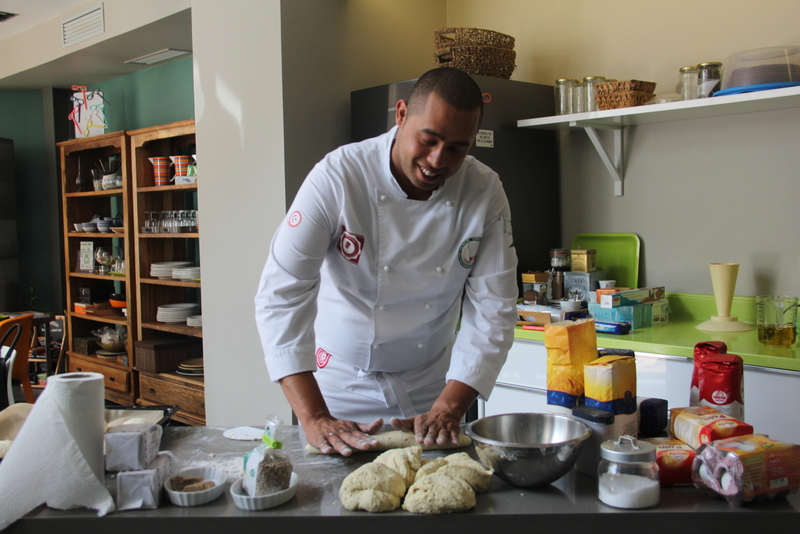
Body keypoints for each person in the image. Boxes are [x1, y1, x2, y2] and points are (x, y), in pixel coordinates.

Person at [255, 67, 518, 456]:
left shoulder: (484, 191)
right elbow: (281, 294)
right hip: (339, 390)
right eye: (428, 140)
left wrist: (449, 406)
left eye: (458, 148)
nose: (437, 160)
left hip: (434, 392)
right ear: (400, 115)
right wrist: (313, 417)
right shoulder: (339, 177)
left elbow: (495, 309)